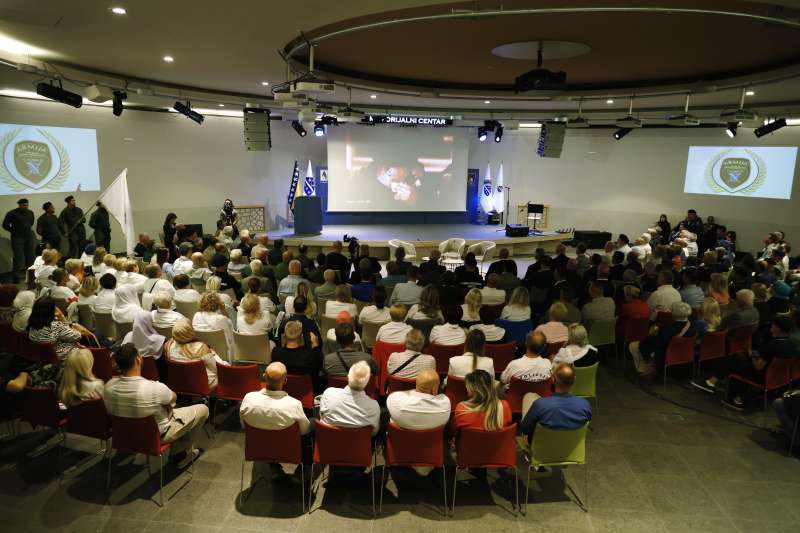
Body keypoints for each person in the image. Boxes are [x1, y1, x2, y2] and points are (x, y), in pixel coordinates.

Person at [104, 343, 208, 465]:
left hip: (125, 436)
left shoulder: (108, 386)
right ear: (138, 359)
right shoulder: (154, 387)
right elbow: (174, 397)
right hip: (154, 437)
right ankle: (179, 454)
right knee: (203, 409)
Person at [723, 317, 798, 410]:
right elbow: (771, 357)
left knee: (736, 361)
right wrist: (758, 354)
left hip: (764, 377)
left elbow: (758, 366)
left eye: (773, 325)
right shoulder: (792, 345)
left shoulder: (773, 344)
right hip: (780, 379)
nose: (771, 326)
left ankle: (737, 399)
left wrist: (752, 357)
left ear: (778, 328)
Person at [240, 362, 312, 453]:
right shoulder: (295, 404)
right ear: (285, 381)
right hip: (286, 451)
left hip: (256, 449)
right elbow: (304, 430)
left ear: (264, 377)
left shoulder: (248, 398)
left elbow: (243, 425)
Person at [518, 363, 592, 443]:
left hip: (541, 447)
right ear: (574, 379)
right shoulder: (585, 405)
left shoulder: (540, 404)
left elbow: (525, 428)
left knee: (529, 397)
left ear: (553, 380)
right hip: (572, 447)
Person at [630, 301, 696, 377]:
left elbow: (657, 342)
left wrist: (649, 335)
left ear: (674, 313)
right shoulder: (693, 326)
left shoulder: (669, 328)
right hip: (685, 355)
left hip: (665, 354)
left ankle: (645, 370)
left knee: (633, 345)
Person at [319, 360, 381, 435]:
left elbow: (321, 416)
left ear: (348, 377)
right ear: (367, 382)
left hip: (328, 441)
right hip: (358, 443)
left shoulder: (328, 394)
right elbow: (373, 433)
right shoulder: (374, 406)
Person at [166, 319, 224, 391]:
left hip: (179, 384)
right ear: (190, 332)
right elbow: (216, 368)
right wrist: (214, 355)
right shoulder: (201, 347)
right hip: (203, 385)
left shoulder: (168, 345)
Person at [452, 369, 511, 435]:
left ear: (472, 389)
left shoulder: (461, 409)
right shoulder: (504, 406)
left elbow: (455, 430)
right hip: (497, 441)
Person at [271, 320, 321, 385]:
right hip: (306, 389)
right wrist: (315, 345)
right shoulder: (311, 354)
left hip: (283, 388)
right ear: (301, 337)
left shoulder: (276, 353)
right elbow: (318, 367)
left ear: (284, 336)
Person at [192, 291, 235, 357]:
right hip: (221, 354)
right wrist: (223, 310)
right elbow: (231, 334)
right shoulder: (221, 319)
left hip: (202, 352)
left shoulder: (196, 316)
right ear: (218, 304)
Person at [3, 198, 35, 281]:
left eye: (27, 205)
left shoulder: (30, 212)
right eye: (24, 205)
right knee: (18, 257)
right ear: (19, 205)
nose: (26, 207)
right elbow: (5, 225)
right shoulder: (12, 213)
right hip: (17, 238)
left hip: (28, 237)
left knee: (30, 257)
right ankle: (16, 277)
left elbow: (31, 223)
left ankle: (30, 275)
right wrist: (13, 231)